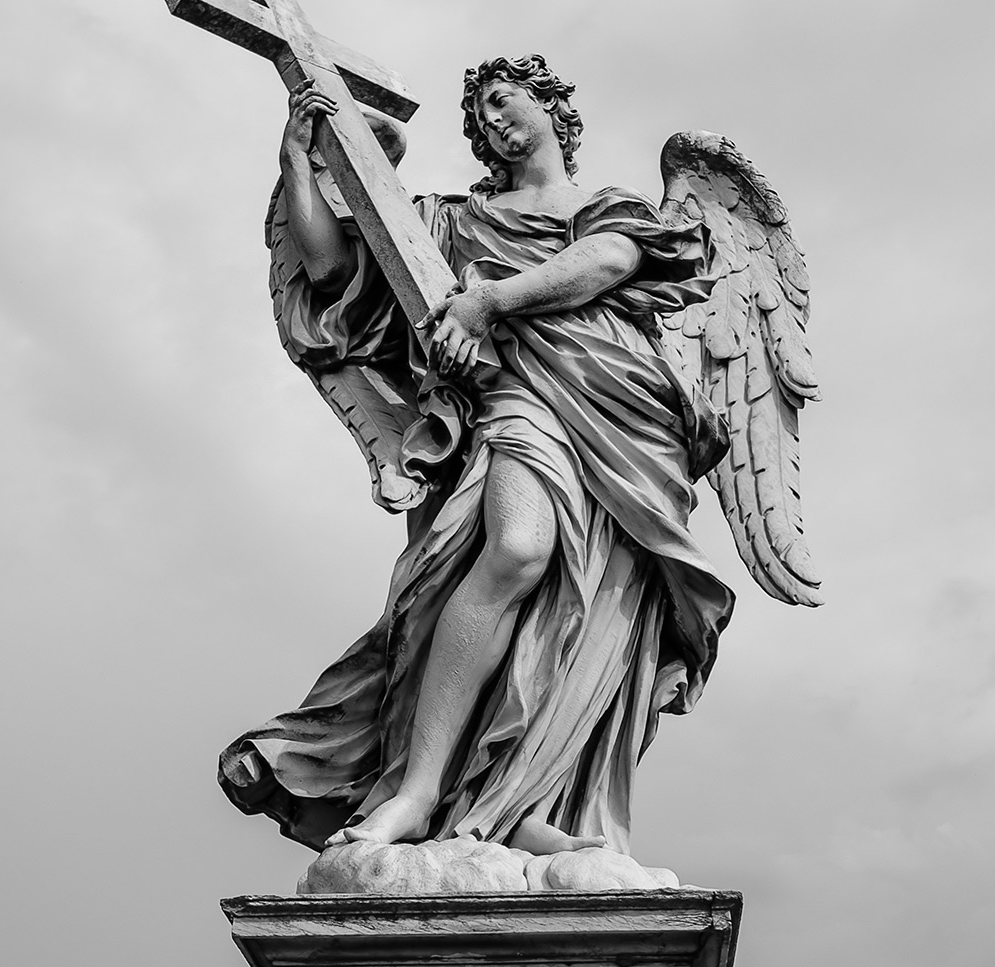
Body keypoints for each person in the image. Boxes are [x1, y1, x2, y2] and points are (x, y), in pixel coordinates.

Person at [221, 56, 734, 866]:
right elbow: (330, 270)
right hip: (520, 393)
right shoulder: (450, 221)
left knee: (596, 600)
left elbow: (607, 263)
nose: (490, 118)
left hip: (631, 415)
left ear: (553, 109)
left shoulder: (610, 208)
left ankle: (521, 801)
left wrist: (489, 299)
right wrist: (302, 159)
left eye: (505, 100)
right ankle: (421, 788)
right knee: (520, 548)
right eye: (479, 111)